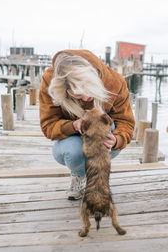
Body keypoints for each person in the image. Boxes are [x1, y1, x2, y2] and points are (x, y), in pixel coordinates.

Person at [39, 50, 135, 200]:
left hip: (102, 137)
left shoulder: (115, 81)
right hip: (72, 139)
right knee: (71, 153)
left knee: (107, 129)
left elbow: (126, 122)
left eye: (89, 90)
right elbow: (48, 125)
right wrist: (73, 125)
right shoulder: (50, 80)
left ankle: (96, 175)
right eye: (77, 95)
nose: (86, 98)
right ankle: (78, 175)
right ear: (63, 90)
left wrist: (117, 140)